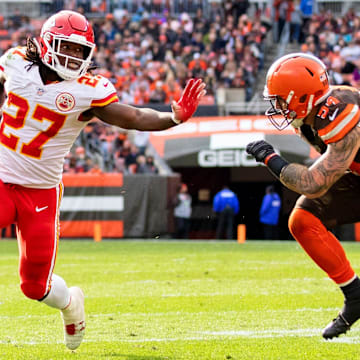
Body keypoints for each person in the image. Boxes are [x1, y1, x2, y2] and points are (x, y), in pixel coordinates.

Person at [0, 10, 206, 350]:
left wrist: (173, 117)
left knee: (35, 287)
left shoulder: (87, 91)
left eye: (81, 51)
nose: (74, 56)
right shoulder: (16, 61)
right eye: (67, 47)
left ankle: (71, 304)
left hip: (42, 192)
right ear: (49, 43)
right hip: (4, 178)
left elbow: (136, 116)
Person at [246, 52, 360, 340]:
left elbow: (314, 183)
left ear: (302, 97)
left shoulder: (339, 113)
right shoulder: (310, 116)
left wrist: (271, 159)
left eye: (281, 99)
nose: (277, 107)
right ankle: (355, 295)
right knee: (303, 220)